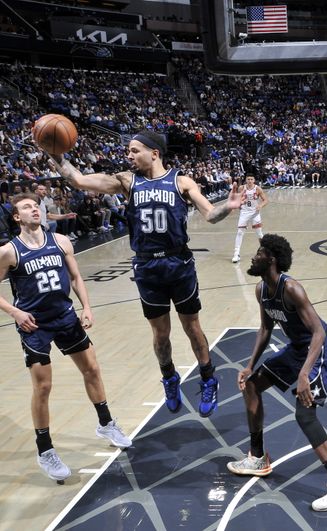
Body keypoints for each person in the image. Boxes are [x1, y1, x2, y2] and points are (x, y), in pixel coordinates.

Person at [48, 130, 241, 417]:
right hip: (147, 266)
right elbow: (78, 180)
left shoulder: (181, 181)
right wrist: (56, 156)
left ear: (154, 152)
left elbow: (210, 214)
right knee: (160, 334)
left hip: (179, 264)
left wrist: (230, 205)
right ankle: (170, 378)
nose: (128, 155)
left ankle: (208, 378)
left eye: (134, 150)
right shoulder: (127, 181)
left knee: (192, 328)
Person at [0, 193, 131, 482]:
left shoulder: (60, 241)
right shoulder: (9, 251)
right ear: (16, 217)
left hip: (65, 316)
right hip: (35, 325)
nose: (34, 209)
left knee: (92, 369)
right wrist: (15, 313)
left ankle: (106, 423)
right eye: (26, 207)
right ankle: (45, 449)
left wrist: (86, 306)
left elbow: (75, 278)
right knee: (43, 387)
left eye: (36, 205)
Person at [226, 234, 327, 512]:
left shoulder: (292, 289)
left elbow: (319, 331)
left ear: (272, 259)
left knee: (304, 413)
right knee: (251, 385)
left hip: (317, 346)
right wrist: (250, 365)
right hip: (296, 348)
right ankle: (258, 457)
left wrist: (304, 374)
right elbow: (265, 329)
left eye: (259, 252)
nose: (254, 256)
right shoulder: (261, 290)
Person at [232, 175, 267, 263]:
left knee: (259, 233)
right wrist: (238, 204)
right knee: (240, 232)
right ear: (246, 180)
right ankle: (236, 254)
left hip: (255, 213)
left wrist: (260, 205)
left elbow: (265, 200)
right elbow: (237, 198)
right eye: (248, 179)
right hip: (244, 212)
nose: (250, 181)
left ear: (254, 180)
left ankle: (266, 252)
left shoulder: (258, 189)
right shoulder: (241, 188)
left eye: (251, 179)